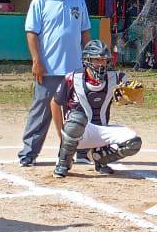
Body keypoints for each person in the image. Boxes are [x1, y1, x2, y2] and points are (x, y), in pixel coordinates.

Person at [19, 0, 91, 167]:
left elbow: (85, 31)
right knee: (41, 112)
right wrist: (36, 61)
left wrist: (88, 61)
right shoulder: (40, 1)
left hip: (75, 68)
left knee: (78, 112)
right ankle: (28, 154)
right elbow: (32, 33)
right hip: (49, 68)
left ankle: (81, 152)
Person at [51, 40, 142, 178]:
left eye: (104, 60)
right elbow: (55, 103)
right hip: (78, 132)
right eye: (96, 60)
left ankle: (101, 159)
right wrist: (60, 134)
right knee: (76, 120)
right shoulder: (73, 77)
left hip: (101, 131)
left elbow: (135, 98)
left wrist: (134, 96)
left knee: (134, 142)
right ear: (87, 60)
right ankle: (64, 162)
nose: (101, 64)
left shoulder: (116, 78)